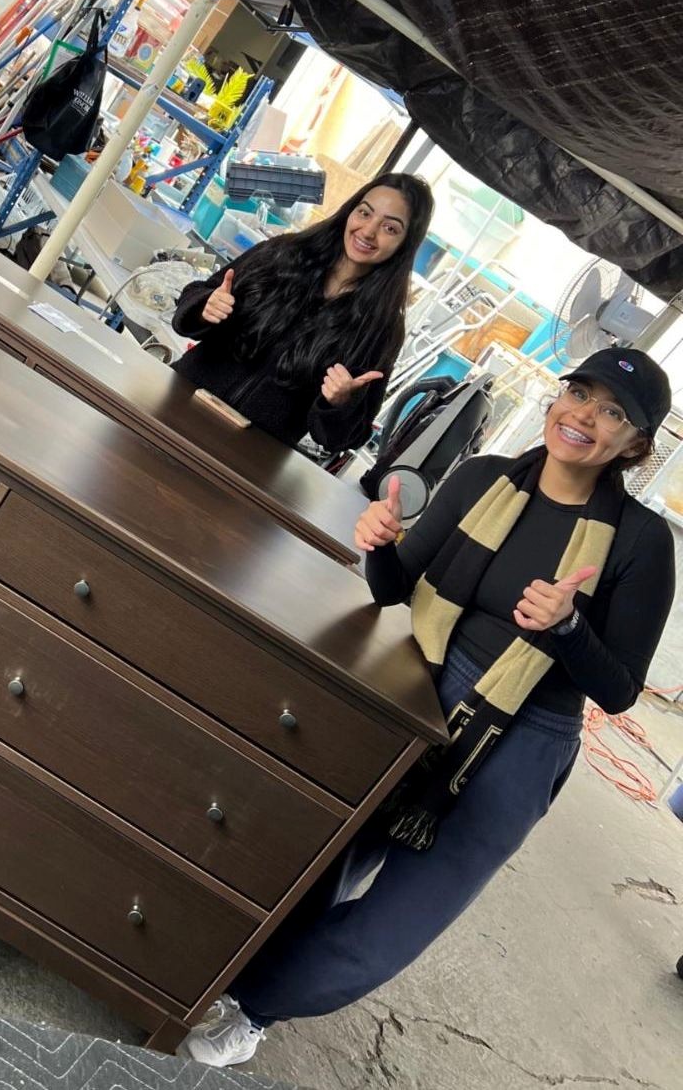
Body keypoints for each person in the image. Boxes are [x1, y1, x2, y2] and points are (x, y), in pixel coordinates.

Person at [180, 346, 676, 1067]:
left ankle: (256, 1003)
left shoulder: (640, 543)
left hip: (524, 738)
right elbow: (393, 588)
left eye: (612, 413)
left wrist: (569, 628)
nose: (584, 417)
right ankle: (237, 976)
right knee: (326, 857)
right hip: (421, 685)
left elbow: (621, 688)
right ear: (555, 398)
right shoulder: (481, 479)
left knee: (397, 920)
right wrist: (379, 546)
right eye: (581, 393)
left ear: (634, 445)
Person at [170, 173, 434, 452]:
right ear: (350, 211)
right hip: (180, 404)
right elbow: (194, 298)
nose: (368, 231)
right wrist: (205, 306)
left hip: (248, 458)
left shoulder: (381, 328)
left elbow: (345, 438)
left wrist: (340, 404)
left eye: (390, 228)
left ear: (406, 243)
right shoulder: (282, 253)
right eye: (364, 213)